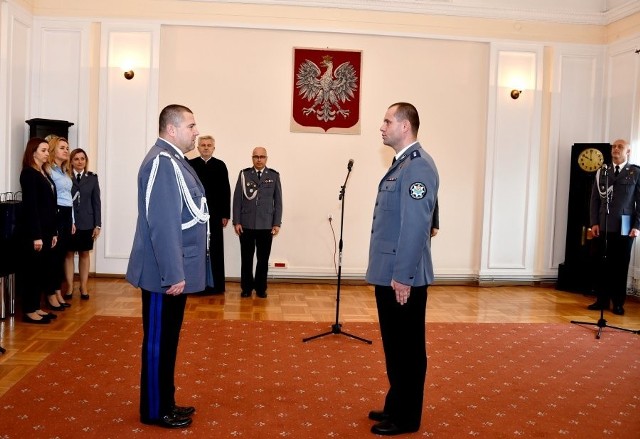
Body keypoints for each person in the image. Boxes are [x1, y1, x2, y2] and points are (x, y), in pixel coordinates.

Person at [126, 104, 208, 429]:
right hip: (164, 274)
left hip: (172, 271)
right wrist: (173, 272)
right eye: (191, 125)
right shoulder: (162, 162)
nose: (196, 131)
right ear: (172, 129)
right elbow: (163, 223)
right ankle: (155, 410)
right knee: (159, 341)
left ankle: (166, 400)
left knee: (169, 339)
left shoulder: (173, 160)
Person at [366, 102, 439, 436]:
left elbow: (416, 227)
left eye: (387, 121)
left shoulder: (417, 167)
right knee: (395, 345)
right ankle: (396, 404)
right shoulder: (402, 165)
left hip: (401, 275)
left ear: (405, 126)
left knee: (408, 349)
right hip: (390, 271)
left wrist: (403, 277)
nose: (381, 127)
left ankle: (407, 417)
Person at [588, 139, 640, 316]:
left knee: (620, 265)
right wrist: (594, 222)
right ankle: (601, 300)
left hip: (625, 226)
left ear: (628, 152)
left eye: (620, 147)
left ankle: (618, 303)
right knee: (601, 264)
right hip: (603, 224)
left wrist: (637, 226)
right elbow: (594, 199)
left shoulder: (635, 173)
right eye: (614, 147)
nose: (616, 149)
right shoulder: (602, 171)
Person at [17, 138, 59, 324]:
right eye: (43, 150)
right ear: (33, 152)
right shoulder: (28, 174)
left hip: (47, 230)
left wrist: (54, 232)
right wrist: (37, 236)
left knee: (41, 270)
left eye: (47, 150)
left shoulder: (43, 173)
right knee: (31, 272)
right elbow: (31, 207)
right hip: (35, 232)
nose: (46, 153)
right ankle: (29, 311)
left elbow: (50, 205)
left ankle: (36, 307)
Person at [232, 147, 283, 298]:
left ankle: (261, 288)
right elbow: (237, 200)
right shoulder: (244, 174)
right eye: (256, 157)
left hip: (266, 224)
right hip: (246, 224)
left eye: (262, 157)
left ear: (266, 158)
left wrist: (276, 223)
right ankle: (246, 288)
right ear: (252, 158)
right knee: (246, 258)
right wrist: (237, 221)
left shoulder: (273, 176)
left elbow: (278, 202)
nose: (259, 159)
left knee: (263, 259)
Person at [188, 135, 231, 294]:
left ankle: (216, 286)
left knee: (215, 249)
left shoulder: (220, 165)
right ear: (198, 148)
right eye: (203, 145)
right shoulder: (190, 165)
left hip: (215, 215)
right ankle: (196, 286)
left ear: (213, 148)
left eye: (209, 145)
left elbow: (226, 190)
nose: (206, 148)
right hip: (195, 214)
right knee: (197, 249)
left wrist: (225, 214)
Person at [66, 148, 101, 300]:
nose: (80, 162)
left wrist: (97, 224)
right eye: (76, 159)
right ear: (71, 161)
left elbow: (96, 202)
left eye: (83, 159)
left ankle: (84, 286)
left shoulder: (92, 178)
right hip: (70, 222)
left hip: (87, 221)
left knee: (84, 253)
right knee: (68, 253)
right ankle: (69, 287)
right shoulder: (65, 177)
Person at [47, 136, 74, 311]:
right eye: (62, 147)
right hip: (55, 213)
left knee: (62, 254)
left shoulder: (64, 171)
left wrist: (72, 220)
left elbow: (69, 198)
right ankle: (52, 293)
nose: (66, 150)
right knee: (54, 257)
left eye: (67, 147)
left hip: (66, 214)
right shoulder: (49, 170)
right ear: (53, 150)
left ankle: (57, 291)